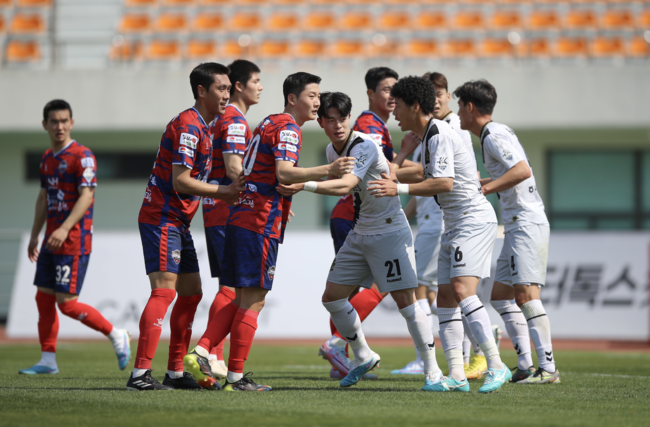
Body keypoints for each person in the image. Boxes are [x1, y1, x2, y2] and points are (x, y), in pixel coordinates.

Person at [183, 72, 355, 392]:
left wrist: (286, 195)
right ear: (293, 98)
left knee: (240, 298)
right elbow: (284, 172)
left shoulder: (269, 122)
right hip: (257, 223)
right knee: (254, 301)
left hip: (240, 218)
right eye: (312, 95)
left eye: (319, 96)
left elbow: (274, 177)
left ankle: (203, 351)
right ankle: (234, 377)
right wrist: (328, 169)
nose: (317, 101)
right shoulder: (288, 127)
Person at [369, 76, 510, 393]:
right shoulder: (428, 136)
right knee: (445, 298)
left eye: (399, 106)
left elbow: (444, 183)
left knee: (461, 289)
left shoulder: (439, 135)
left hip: (471, 220)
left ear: (415, 106)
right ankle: (457, 375)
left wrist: (398, 187)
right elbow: (428, 175)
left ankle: (497, 365)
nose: (395, 114)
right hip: (454, 221)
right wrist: (401, 158)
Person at [293, 91, 443, 389]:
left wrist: (303, 184)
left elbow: (345, 185)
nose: (337, 125)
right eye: (331, 119)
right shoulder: (331, 151)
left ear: (350, 119)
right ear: (321, 121)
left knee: (406, 304)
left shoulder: (363, 144)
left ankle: (433, 371)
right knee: (332, 297)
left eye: (343, 119)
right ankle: (363, 355)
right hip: (360, 231)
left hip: (388, 231)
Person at [126, 63, 244, 391]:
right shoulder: (189, 127)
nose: (227, 94)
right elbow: (180, 181)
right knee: (164, 291)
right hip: (161, 217)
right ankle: (139, 375)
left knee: (192, 293)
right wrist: (225, 192)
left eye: (228, 88)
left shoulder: (204, 126)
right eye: (221, 88)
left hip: (179, 221)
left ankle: (175, 372)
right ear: (201, 91)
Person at [454, 79, 559, 384]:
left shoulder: (493, 135)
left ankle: (549, 368)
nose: (458, 113)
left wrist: (485, 186)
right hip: (516, 223)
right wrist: (487, 181)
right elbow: (512, 171)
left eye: (460, 106)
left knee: (526, 295)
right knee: (501, 296)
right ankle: (525, 364)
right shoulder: (496, 132)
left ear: (470, 107)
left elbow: (523, 170)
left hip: (526, 222)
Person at [20, 100, 131, 376]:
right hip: (50, 240)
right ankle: (48, 359)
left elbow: (87, 196)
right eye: (54, 121)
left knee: (67, 304)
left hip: (73, 240)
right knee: (43, 300)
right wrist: (36, 234)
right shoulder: (47, 158)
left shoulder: (82, 156)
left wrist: (63, 228)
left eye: (64, 120)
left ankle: (116, 333)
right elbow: (43, 198)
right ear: (45, 124)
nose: (60, 126)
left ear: (72, 122)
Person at [319, 67, 399, 379]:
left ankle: (345, 358)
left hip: (355, 215)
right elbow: (383, 174)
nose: (392, 96)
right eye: (385, 89)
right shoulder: (369, 128)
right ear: (370, 93)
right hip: (355, 216)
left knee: (345, 292)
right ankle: (339, 345)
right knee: (382, 285)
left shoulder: (375, 126)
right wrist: (415, 166)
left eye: (396, 89)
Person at [201, 59, 263, 380]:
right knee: (233, 289)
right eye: (256, 80)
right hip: (230, 212)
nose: (261, 86)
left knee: (229, 287)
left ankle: (213, 356)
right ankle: (210, 354)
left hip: (215, 209)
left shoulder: (222, 120)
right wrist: (258, 196)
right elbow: (234, 169)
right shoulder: (236, 122)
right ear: (240, 85)